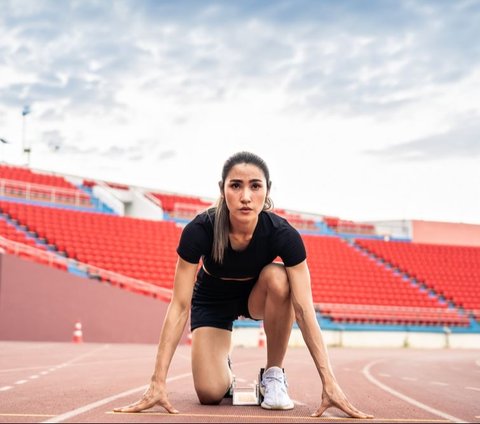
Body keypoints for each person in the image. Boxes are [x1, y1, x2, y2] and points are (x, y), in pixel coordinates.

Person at [114, 151, 372, 418]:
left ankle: (272, 376)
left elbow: (305, 310)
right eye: (236, 185)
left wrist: (329, 382)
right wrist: (157, 382)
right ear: (223, 189)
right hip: (212, 299)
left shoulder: (283, 235)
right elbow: (179, 306)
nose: (246, 196)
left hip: (255, 295)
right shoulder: (200, 230)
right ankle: (223, 366)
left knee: (279, 277)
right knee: (210, 394)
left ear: (267, 191)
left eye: (255, 186)